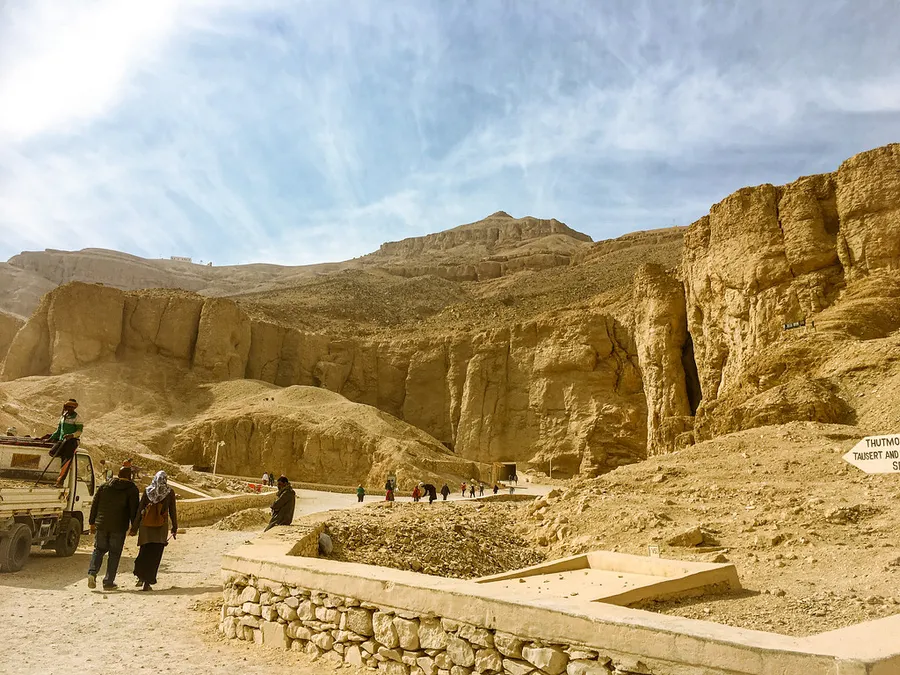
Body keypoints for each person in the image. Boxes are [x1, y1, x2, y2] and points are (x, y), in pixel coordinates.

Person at [87, 466, 139, 590]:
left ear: (118, 474)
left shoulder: (105, 486)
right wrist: (134, 528)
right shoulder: (132, 489)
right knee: (114, 554)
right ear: (130, 476)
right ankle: (108, 582)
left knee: (98, 550)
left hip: (101, 524)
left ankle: (92, 573)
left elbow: (95, 504)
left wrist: (92, 522)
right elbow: (134, 510)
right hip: (119, 527)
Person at [130, 470, 178, 591]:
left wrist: (134, 528)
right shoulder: (169, 492)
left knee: (144, 551)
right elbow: (172, 510)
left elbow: (140, 510)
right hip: (161, 528)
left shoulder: (148, 491)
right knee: (155, 555)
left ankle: (140, 576)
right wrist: (174, 527)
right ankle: (147, 582)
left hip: (146, 526)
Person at [45, 399, 84, 487]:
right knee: (52, 452)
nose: (70, 408)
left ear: (74, 408)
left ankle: (60, 482)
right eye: (68, 407)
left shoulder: (77, 418)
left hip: (71, 441)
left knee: (66, 461)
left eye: (72, 407)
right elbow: (59, 430)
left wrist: (72, 435)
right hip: (62, 440)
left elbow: (79, 431)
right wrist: (51, 438)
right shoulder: (63, 416)